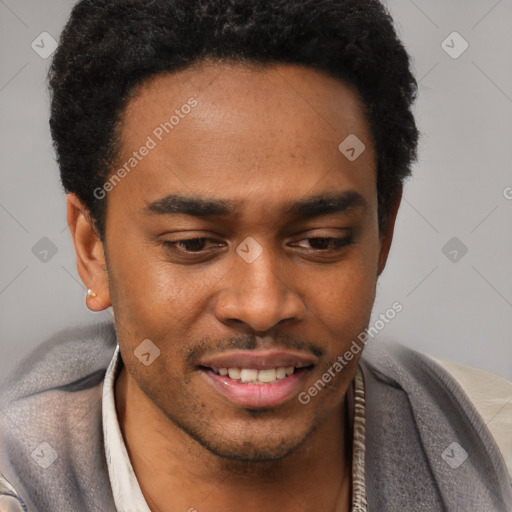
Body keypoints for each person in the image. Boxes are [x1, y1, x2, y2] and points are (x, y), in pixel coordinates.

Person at [0, 0, 511, 511]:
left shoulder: (494, 456)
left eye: (321, 241)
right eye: (193, 244)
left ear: (384, 233)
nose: (263, 304)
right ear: (93, 252)